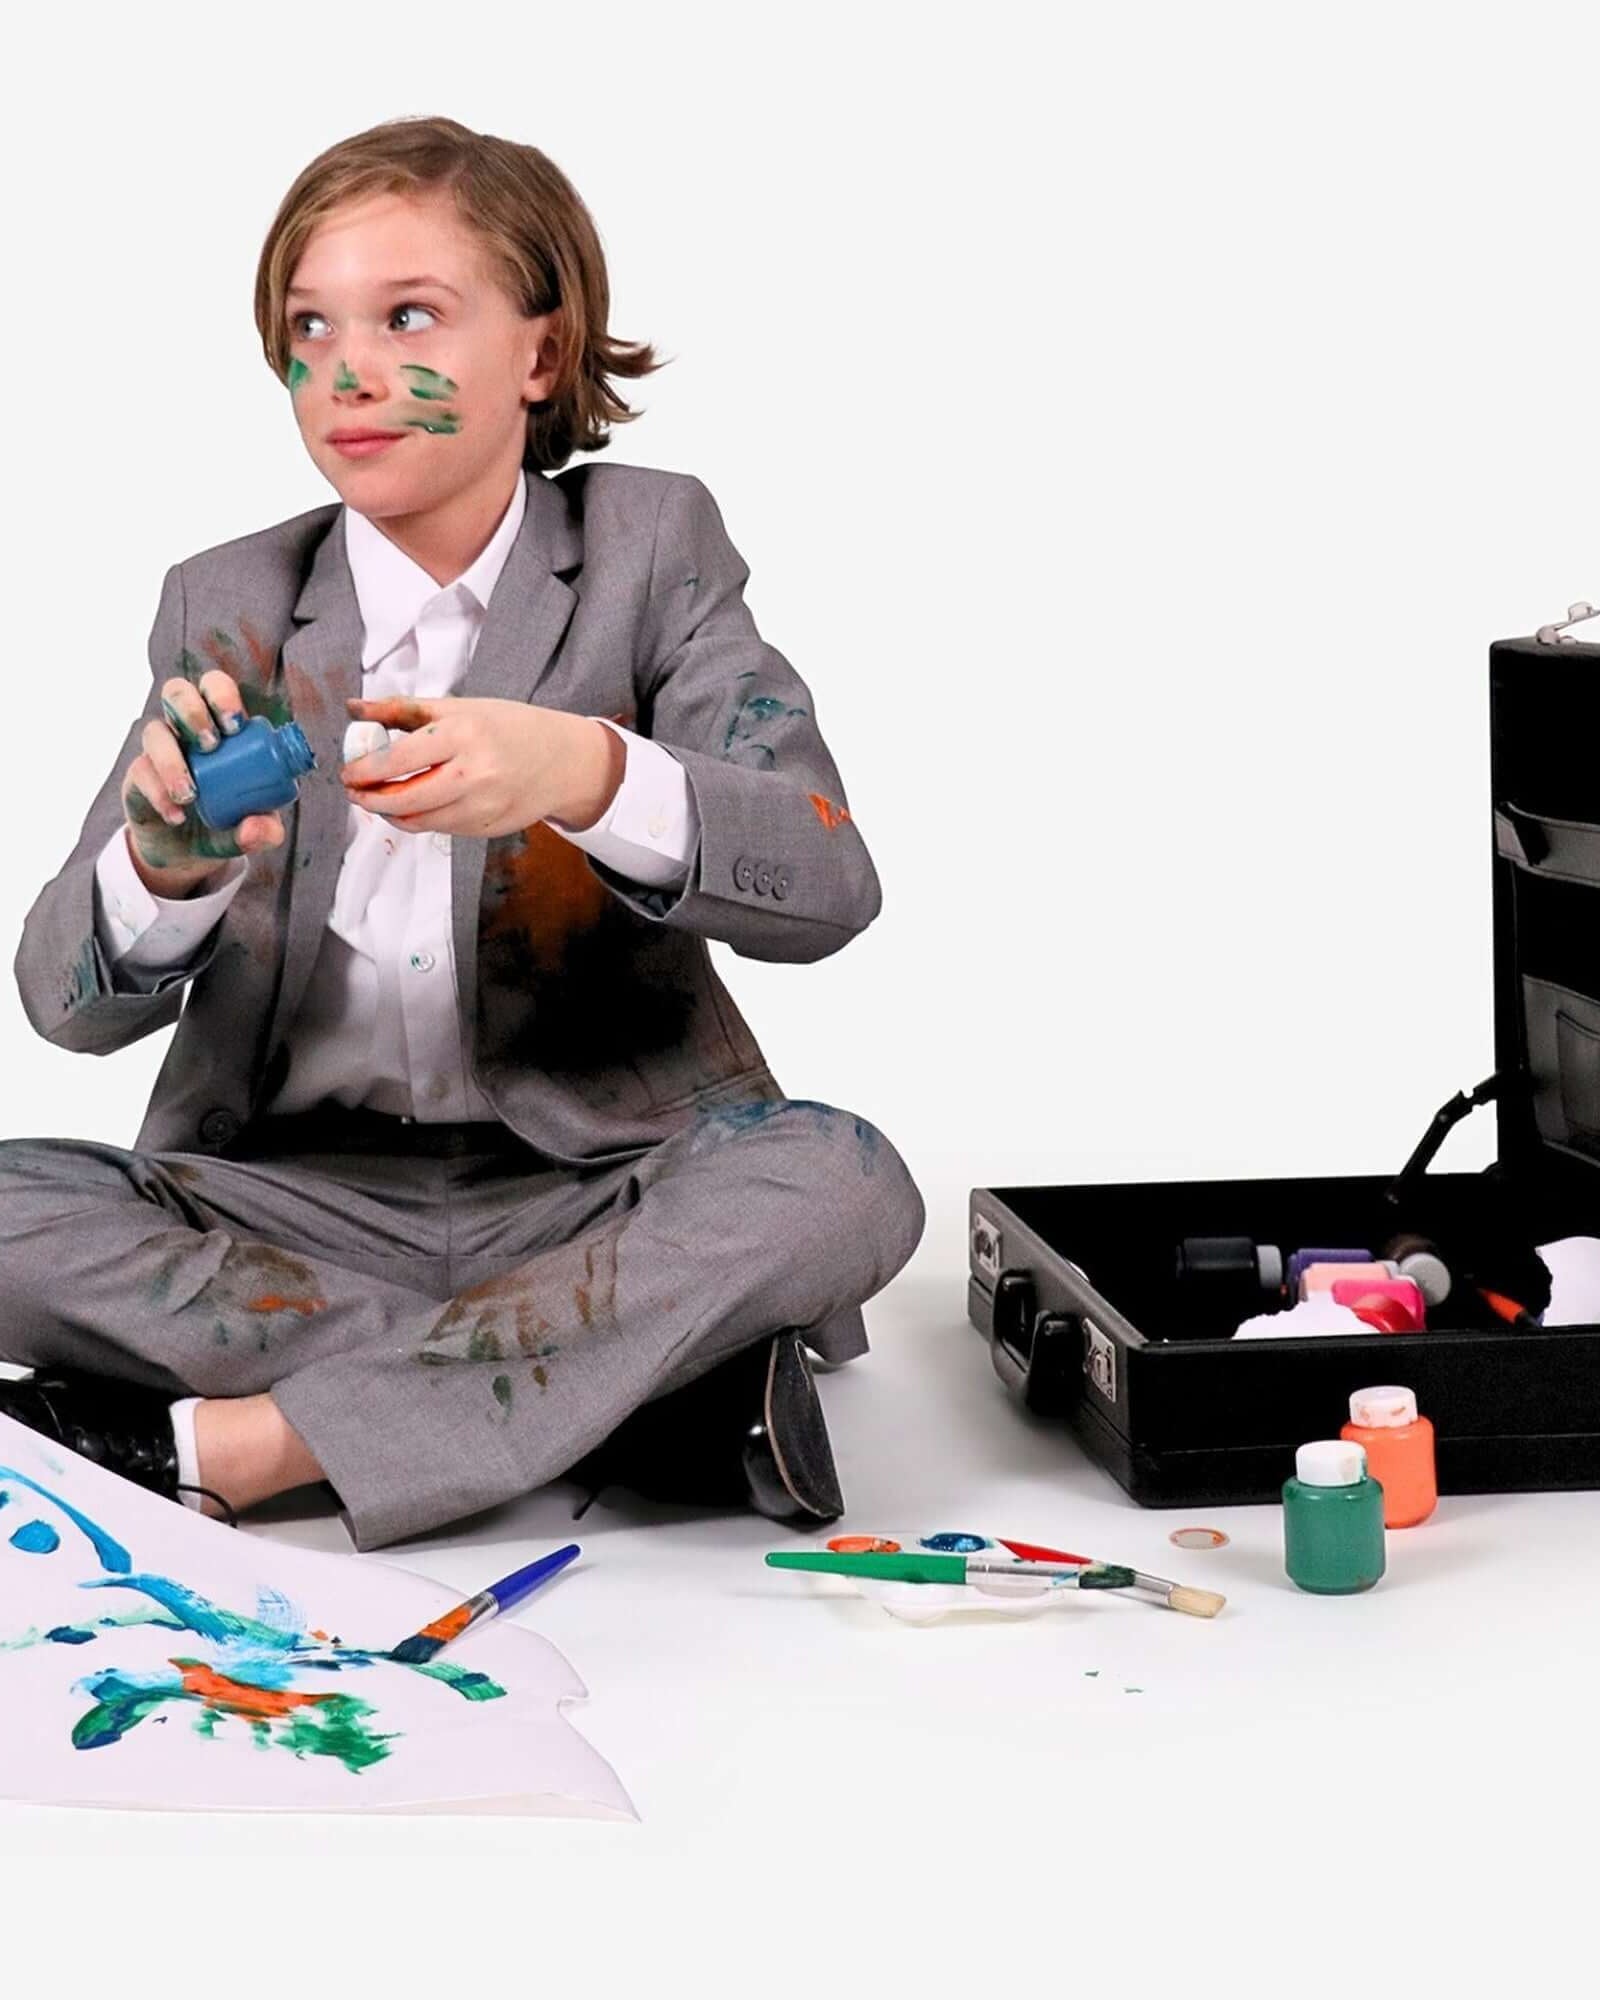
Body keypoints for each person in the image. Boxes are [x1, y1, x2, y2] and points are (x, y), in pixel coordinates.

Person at [0, 115, 924, 1551]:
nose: (346, 373)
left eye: (409, 316)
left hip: (601, 1194)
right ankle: (637, 1385)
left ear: (541, 359)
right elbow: (59, 1001)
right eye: (312, 326)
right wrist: (155, 877)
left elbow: (826, 880)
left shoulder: (650, 552)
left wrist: (589, 771)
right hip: (284, 1211)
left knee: (843, 1179)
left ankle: (253, 1444)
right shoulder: (231, 600)